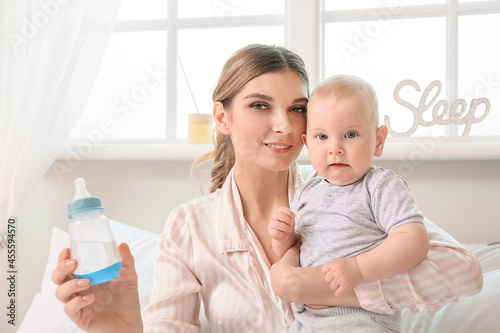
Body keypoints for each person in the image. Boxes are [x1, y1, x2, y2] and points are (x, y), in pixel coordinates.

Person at [52, 44, 366, 332]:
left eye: (298, 109)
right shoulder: (190, 226)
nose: (284, 125)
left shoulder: (353, 192)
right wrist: (124, 326)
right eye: (259, 105)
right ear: (221, 117)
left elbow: (411, 291)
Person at [269, 74, 484, 332]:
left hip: (364, 318)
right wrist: (283, 238)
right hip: (307, 320)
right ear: (307, 143)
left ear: (378, 140)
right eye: (322, 137)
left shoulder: (379, 186)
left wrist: (358, 269)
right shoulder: (306, 192)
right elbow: (299, 251)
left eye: (350, 134)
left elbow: (413, 241)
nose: (335, 148)